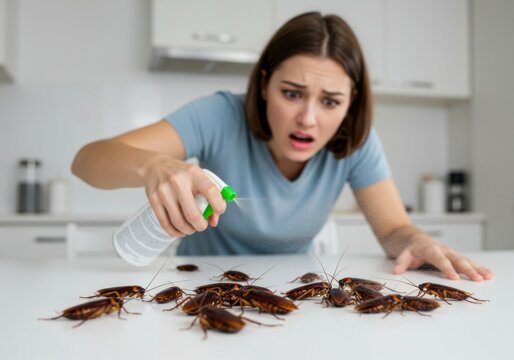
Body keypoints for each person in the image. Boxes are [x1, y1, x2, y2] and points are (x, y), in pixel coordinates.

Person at [72, 12, 493, 282]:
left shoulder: (356, 142)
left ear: (351, 104)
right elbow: (86, 160)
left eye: (330, 102)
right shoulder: (219, 115)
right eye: (291, 93)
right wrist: (154, 167)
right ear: (264, 84)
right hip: (195, 284)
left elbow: (393, 231)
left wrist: (415, 242)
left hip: (293, 291)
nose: (308, 118)